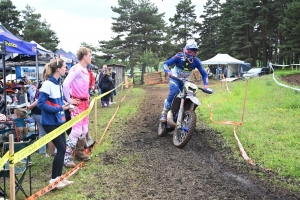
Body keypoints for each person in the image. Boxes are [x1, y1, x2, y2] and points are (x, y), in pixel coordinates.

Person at [37, 58, 73, 189]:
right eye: (64, 67)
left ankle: (60, 178)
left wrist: (65, 105)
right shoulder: (47, 84)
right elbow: (41, 105)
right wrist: (59, 108)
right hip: (49, 123)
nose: (66, 69)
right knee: (62, 148)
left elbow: (57, 102)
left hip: (59, 121)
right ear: (58, 69)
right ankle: (53, 180)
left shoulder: (58, 83)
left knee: (62, 148)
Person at [160, 40, 208, 122]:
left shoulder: (197, 61)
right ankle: (164, 113)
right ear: (185, 51)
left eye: (194, 53)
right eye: (190, 52)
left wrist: (206, 86)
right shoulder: (178, 57)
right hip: (174, 78)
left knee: (190, 95)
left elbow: (204, 74)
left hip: (185, 81)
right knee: (174, 92)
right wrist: (168, 71)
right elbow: (165, 64)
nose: (192, 55)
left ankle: (184, 114)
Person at [63, 47, 92, 167]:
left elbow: (85, 87)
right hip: (77, 104)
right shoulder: (76, 69)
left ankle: (79, 153)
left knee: (84, 130)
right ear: (84, 56)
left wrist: (88, 98)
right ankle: (66, 157)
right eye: (90, 55)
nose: (91, 57)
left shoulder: (85, 70)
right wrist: (69, 101)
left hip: (85, 103)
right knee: (76, 131)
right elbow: (65, 84)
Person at [27, 81, 55, 157]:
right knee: (46, 132)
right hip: (39, 113)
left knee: (43, 132)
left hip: (37, 113)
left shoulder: (37, 90)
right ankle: (46, 152)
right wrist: (30, 107)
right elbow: (38, 101)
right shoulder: (42, 91)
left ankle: (44, 151)